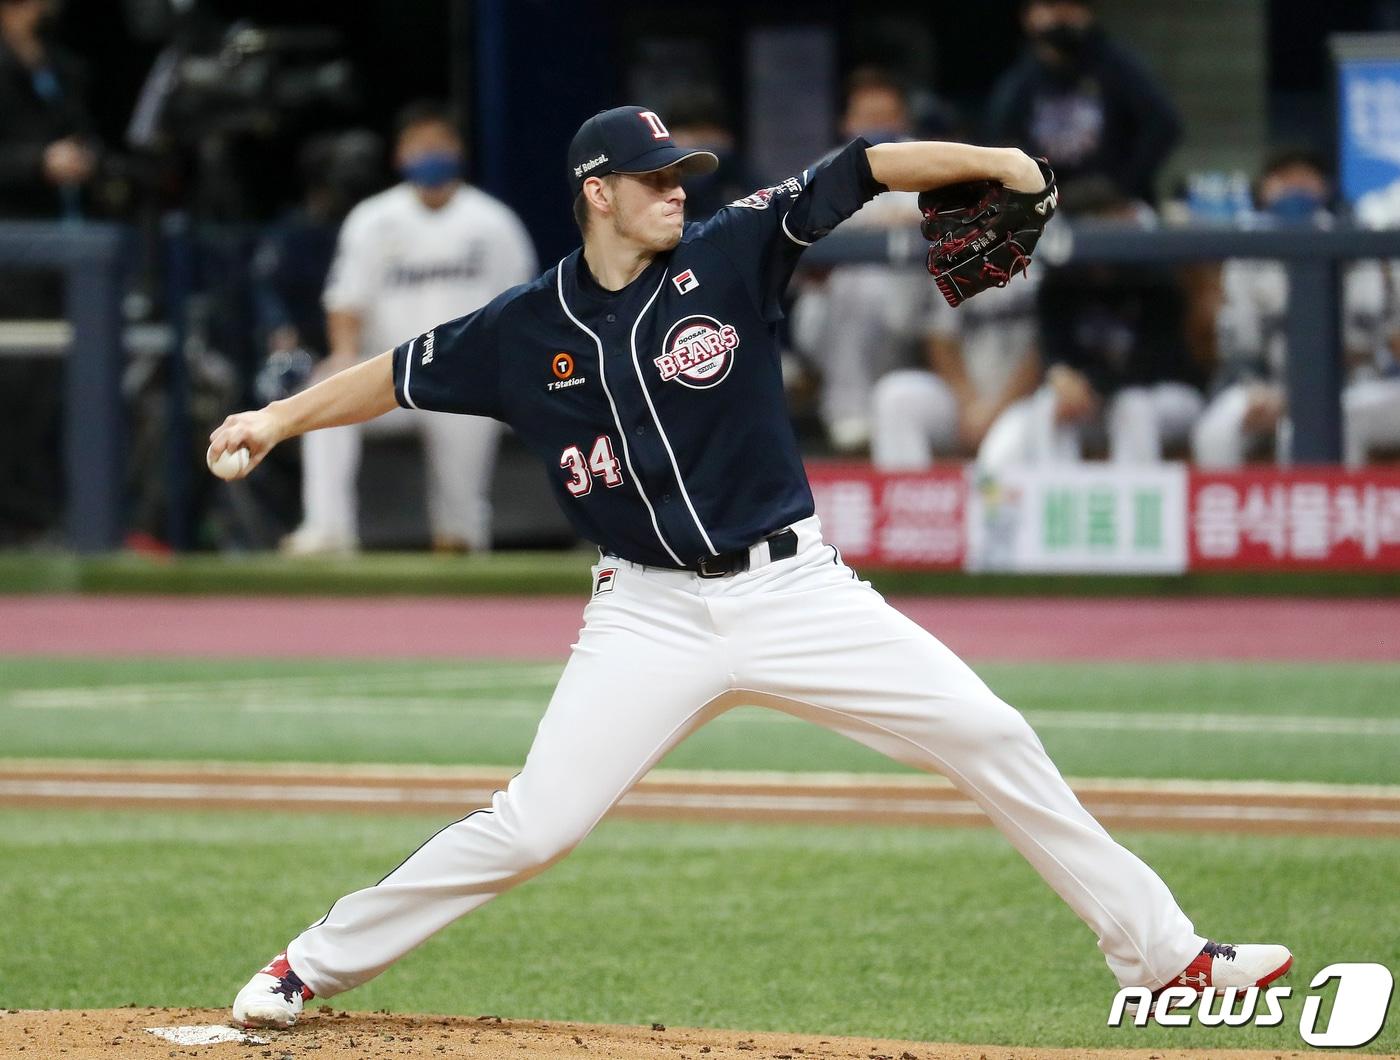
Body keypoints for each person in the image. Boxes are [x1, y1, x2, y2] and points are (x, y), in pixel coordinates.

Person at [212, 104, 1290, 1030]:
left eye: (681, 174)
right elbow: (393, 375)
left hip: (793, 590)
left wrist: (1001, 167)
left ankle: (1163, 957)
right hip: (646, 615)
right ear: (597, 193)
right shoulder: (522, 326)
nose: (677, 191)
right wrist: (275, 416)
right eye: (654, 179)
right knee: (536, 823)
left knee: (989, 733)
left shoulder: (729, 248)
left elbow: (860, 166)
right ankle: (304, 963)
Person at [281, 102, 537, 554]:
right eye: (420, 147)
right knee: (324, 391)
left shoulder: (493, 222)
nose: (430, 155)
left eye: (440, 145)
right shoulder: (373, 218)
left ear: (458, 151)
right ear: (401, 155)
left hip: (463, 376)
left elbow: (521, 305)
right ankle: (327, 530)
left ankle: (460, 538)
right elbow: (346, 299)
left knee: (460, 524)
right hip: (388, 372)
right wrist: (343, 356)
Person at [1192, 150, 1400, 468]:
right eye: (1283, 179)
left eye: (1303, 179)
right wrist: (1257, 389)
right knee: (1215, 431)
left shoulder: (1352, 240)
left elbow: (1367, 339)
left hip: (1352, 384)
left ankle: (1319, 515)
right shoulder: (1247, 249)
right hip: (1269, 383)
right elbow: (1241, 343)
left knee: (1307, 429)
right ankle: (1229, 517)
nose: (1294, 188)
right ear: (1264, 189)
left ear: (1324, 187)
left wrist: (1306, 392)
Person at [978, 178, 1204, 468]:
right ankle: (1057, 497)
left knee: (1132, 406)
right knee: (1051, 404)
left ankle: (1132, 501)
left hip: (1165, 393)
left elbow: (1152, 362)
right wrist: (1061, 375)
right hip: (1096, 398)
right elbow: (1054, 348)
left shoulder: (1153, 276)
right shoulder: (1062, 281)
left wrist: (1090, 383)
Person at [790, 67, 933, 452]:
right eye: (867, 118)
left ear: (903, 120)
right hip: (827, 304)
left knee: (864, 286)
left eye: (885, 117)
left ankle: (850, 415)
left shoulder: (928, 161)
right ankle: (850, 414)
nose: (876, 126)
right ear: (847, 122)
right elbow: (792, 237)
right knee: (848, 289)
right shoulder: (825, 169)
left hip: (914, 298)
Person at [985, 0, 1181, 203]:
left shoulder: (1116, 66)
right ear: (1028, 16)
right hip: (1047, 208)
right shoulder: (1020, 81)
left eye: (1073, 5)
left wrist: (1122, 188)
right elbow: (1002, 144)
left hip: (1117, 208)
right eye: (1051, 5)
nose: (1062, 14)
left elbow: (1163, 125)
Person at [871, 276, 1042, 469]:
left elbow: (1044, 348)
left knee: (1004, 448)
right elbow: (940, 337)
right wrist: (967, 402)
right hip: (965, 399)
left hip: (1025, 402)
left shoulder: (1042, 260)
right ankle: (905, 494)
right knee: (896, 398)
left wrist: (996, 410)